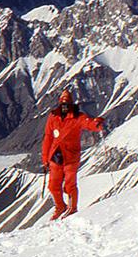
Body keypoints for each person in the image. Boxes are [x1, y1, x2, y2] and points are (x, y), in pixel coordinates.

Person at [41, 89, 105, 220]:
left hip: (70, 156)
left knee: (70, 185)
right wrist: (45, 158)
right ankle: (60, 207)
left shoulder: (78, 117)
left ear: (71, 104)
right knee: (53, 186)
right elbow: (48, 137)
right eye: (63, 103)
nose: (64, 106)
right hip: (55, 155)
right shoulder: (53, 117)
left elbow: (88, 123)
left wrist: (96, 124)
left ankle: (72, 208)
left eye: (67, 103)